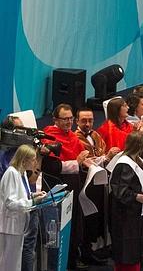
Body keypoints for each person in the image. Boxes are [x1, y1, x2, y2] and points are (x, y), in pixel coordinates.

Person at [44, 103, 92, 269]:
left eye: (71, 118)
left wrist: (89, 162)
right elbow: (51, 167)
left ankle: (73, 258)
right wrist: (76, 162)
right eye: (65, 119)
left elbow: (80, 160)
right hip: (59, 189)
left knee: (75, 226)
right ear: (55, 120)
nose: (69, 122)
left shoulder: (72, 136)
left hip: (75, 187)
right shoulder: (49, 137)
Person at [75, 108, 120, 264]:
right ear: (77, 122)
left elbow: (102, 154)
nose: (88, 124)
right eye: (84, 121)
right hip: (86, 184)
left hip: (100, 182)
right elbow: (87, 162)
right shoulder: (76, 138)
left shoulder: (96, 135)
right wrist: (106, 157)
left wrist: (108, 156)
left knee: (99, 216)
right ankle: (85, 252)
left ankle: (95, 248)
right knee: (88, 218)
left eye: (90, 120)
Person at [0, 144, 47, 271]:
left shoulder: (22, 174)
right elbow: (10, 202)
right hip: (10, 226)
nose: (35, 162)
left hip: (19, 225)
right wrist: (33, 202)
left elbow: (22, 194)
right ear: (24, 159)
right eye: (33, 159)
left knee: (15, 264)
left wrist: (33, 195)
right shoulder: (11, 173)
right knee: (8, 264)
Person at [109, 132, 143, 271]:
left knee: (133, 247)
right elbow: (119, 191)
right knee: (126, 249)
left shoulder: (135, 160)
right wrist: (135, 196)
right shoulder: (124, 164)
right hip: (124, 215)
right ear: (140, 146)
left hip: (134, 213)